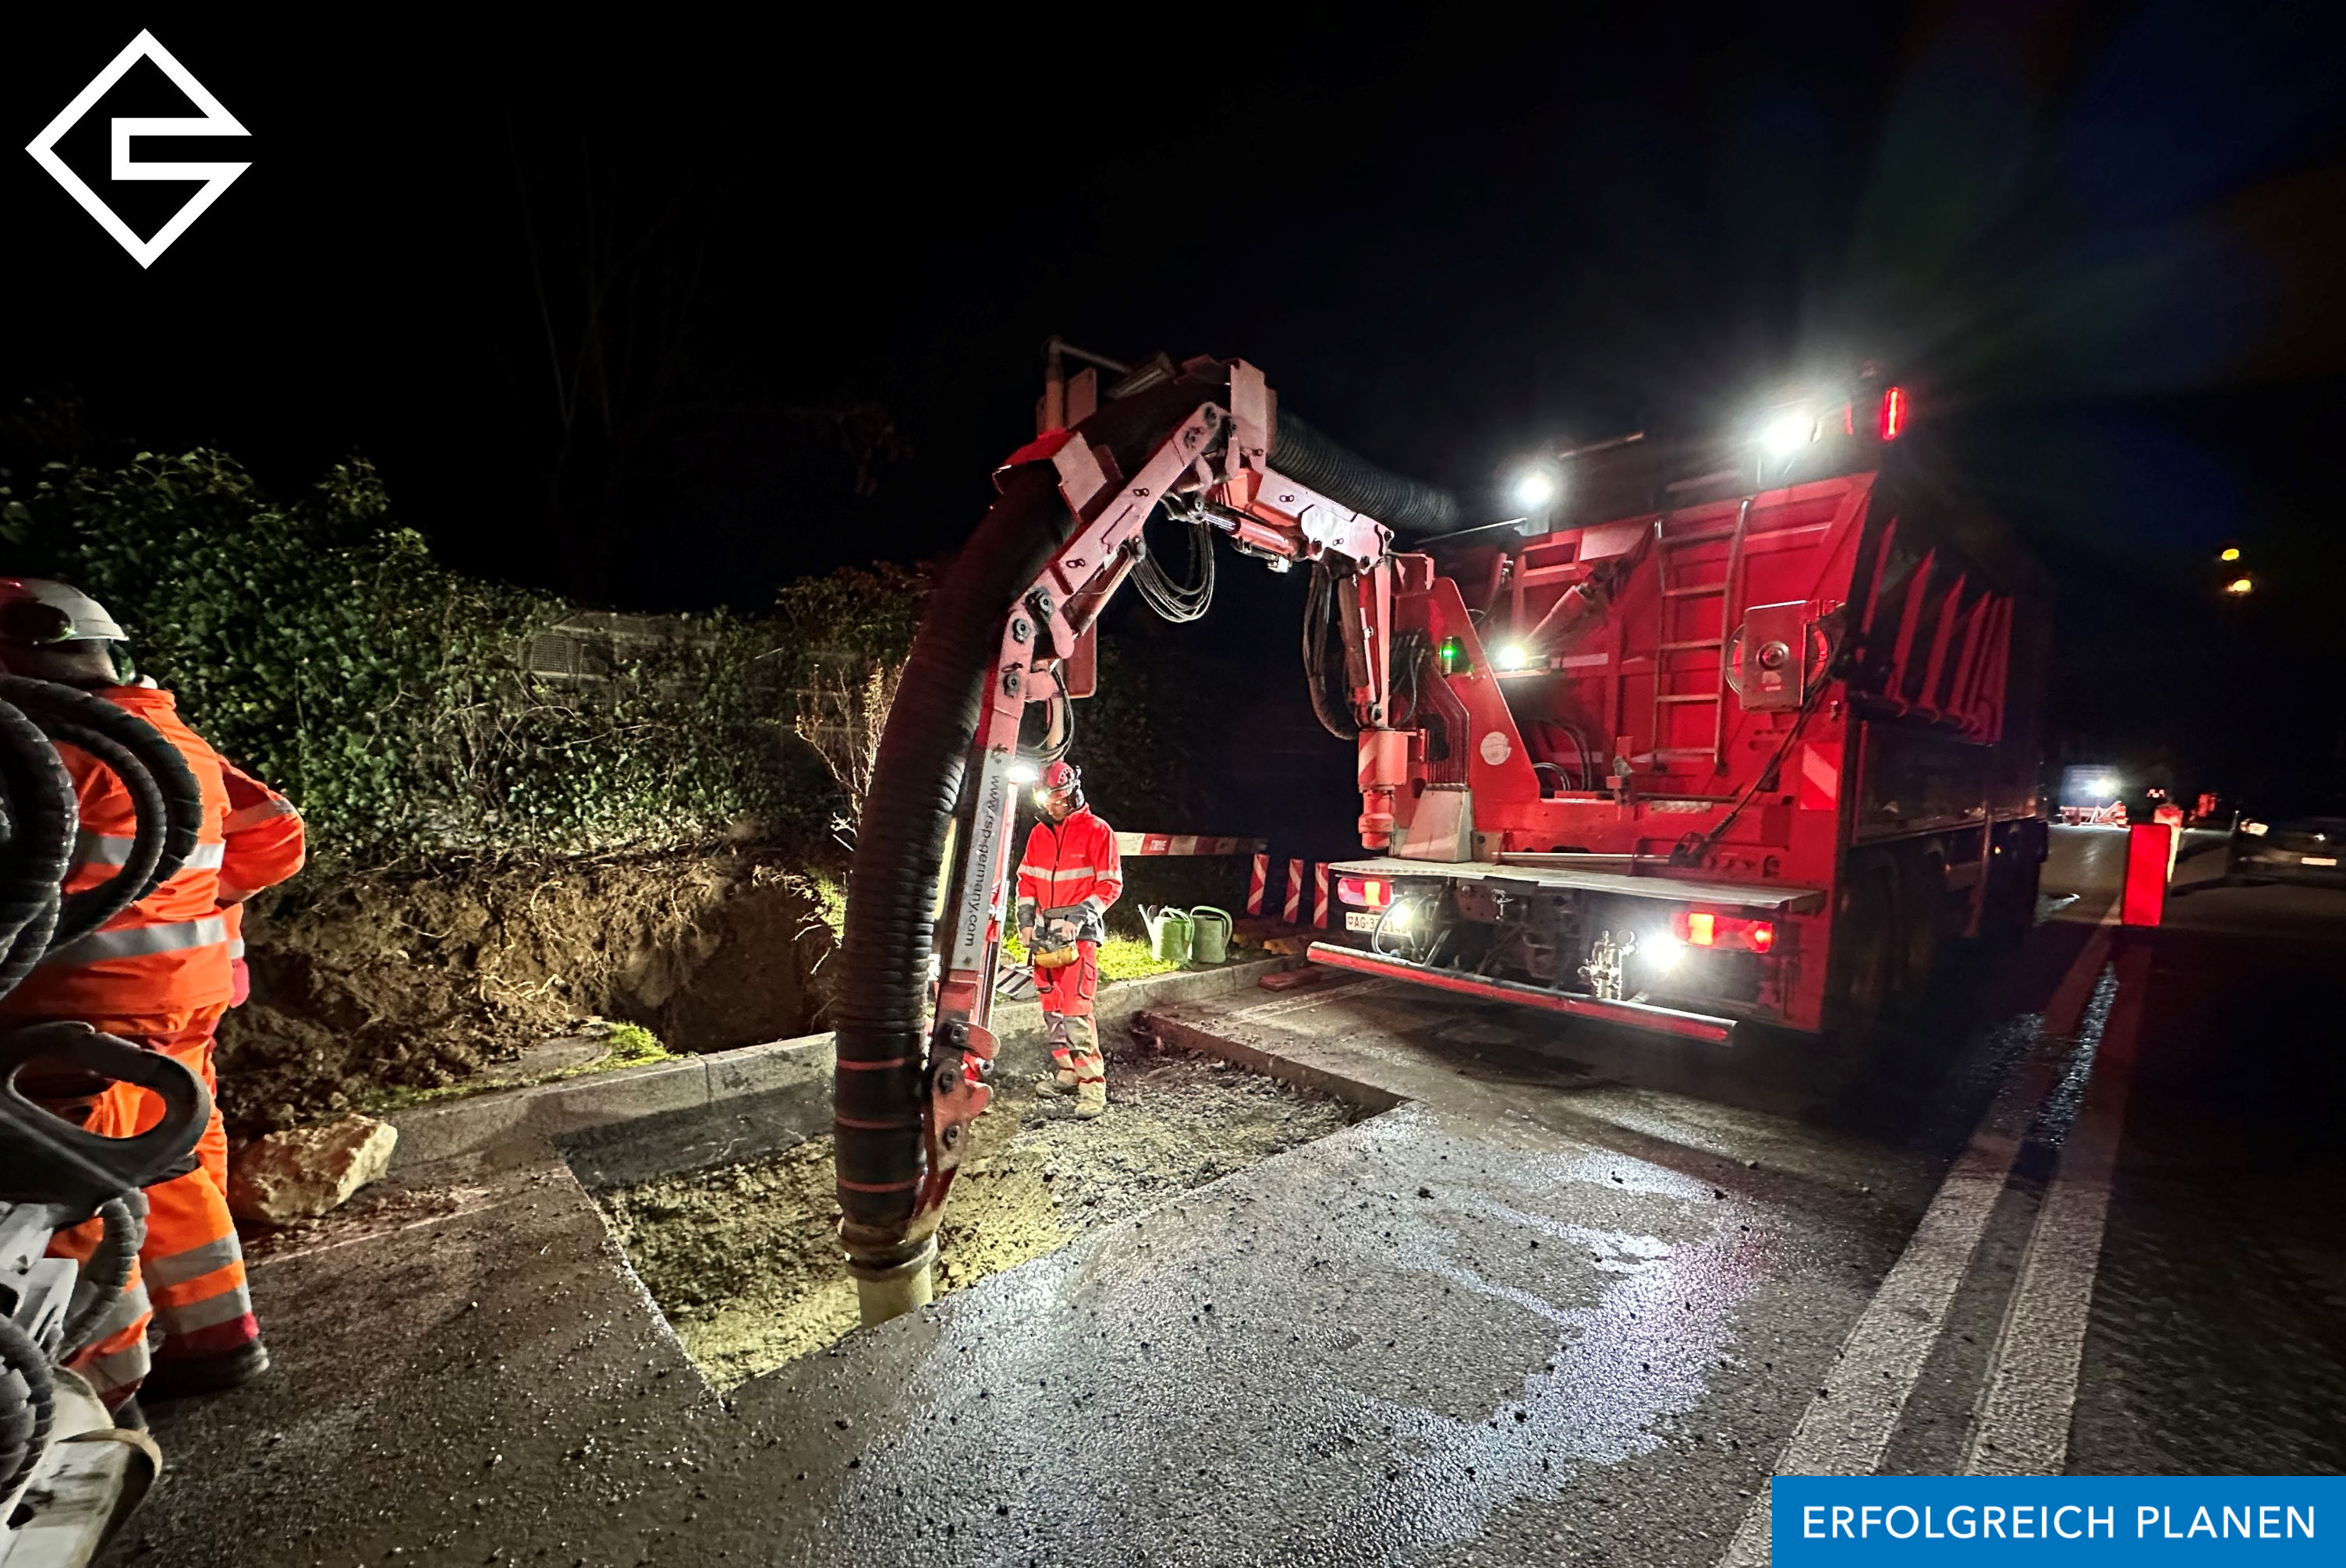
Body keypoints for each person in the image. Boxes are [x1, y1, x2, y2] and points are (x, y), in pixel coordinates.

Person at [0, 578, 305, 1407]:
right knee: (170, 1159)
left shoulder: (36, 746)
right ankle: (217, 1337)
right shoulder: (173, 740)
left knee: (74, 1189)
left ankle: (102, 1374)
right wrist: (190, 899)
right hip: (183, 1001)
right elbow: (278, 832)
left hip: (75, 1014)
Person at [1013, 760, 1122, 1119]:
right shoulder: (1040, 834)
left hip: (1080, 935)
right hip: (1044, 935)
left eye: (1058, 798)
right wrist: (1025, 921)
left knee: (1076, 1010)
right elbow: (1027, 881)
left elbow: (1110, 885)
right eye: (1047, 799)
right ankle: (1067, 1071)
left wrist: (1077, 918)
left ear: (1074, 793)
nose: (1052, 806)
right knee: (1052, 1008)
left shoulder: (1097, 831)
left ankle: (1093, 1087)